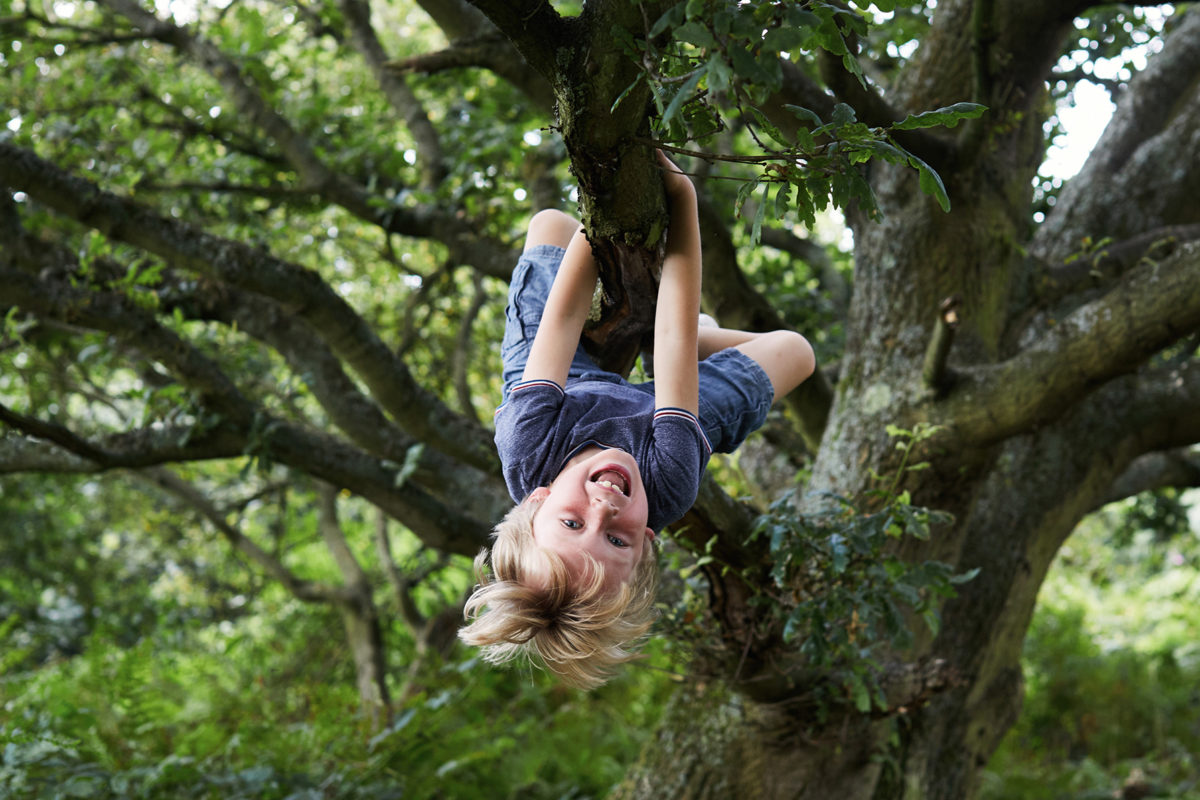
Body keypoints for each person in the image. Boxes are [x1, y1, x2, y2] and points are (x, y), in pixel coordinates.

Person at [459, 152, 815, 688]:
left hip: (566, 381)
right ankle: (697, 339)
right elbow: (673, 343)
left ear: (538, 500)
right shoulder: (669, 480)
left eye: (573, 523)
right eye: (619, 541)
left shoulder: (527, 444)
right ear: (648, 539)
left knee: (551, 225)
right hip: (657, 417)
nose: (605, 510)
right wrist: (682, 199)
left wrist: (602, 216)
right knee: (797, 352)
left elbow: (563, 315)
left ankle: (680, 334)